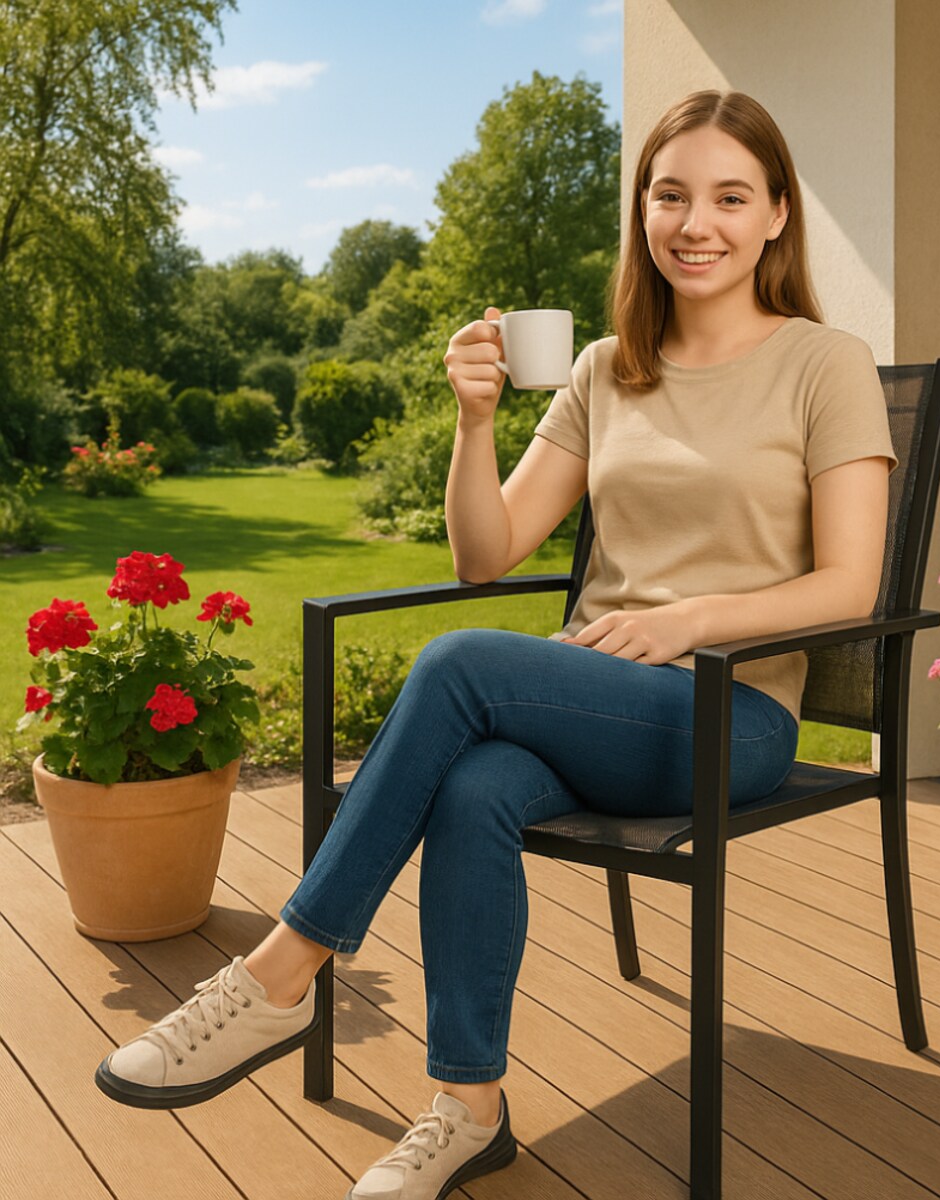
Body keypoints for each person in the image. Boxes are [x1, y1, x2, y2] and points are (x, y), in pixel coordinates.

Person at [94, 90, 896, 1200]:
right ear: (642, 212)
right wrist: (475, 423)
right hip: (591, 702)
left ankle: (281, 975)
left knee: (461, 662)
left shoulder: (826, 362)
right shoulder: (609, 368)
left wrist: (686, 621)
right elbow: (488, 549)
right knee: (472, 787)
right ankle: (470, 1108)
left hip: (726, 717)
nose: (695, 222)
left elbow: (850, 584)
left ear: (776, 218)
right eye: (670, 194)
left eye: (728, 196)